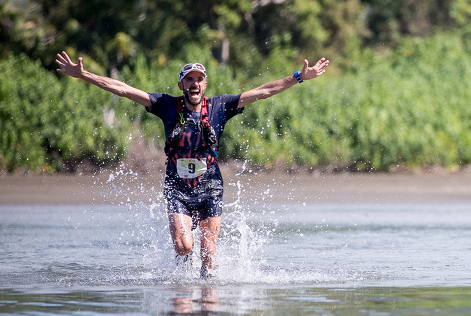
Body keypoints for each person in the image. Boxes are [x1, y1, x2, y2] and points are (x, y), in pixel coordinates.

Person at [55, 51, 329, 277]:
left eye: (199, 79)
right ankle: (182, 278)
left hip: (210, 185)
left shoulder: (221, 106)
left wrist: (298, 77)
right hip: (177, 187)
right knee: (184, 247)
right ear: (181, 85)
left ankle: (207, 304)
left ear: (205, 84)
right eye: (189, 80)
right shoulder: (166, 106)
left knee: (208, 255)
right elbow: (124, 90)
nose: (194, 84)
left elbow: (263, 91)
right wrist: (84, 75)